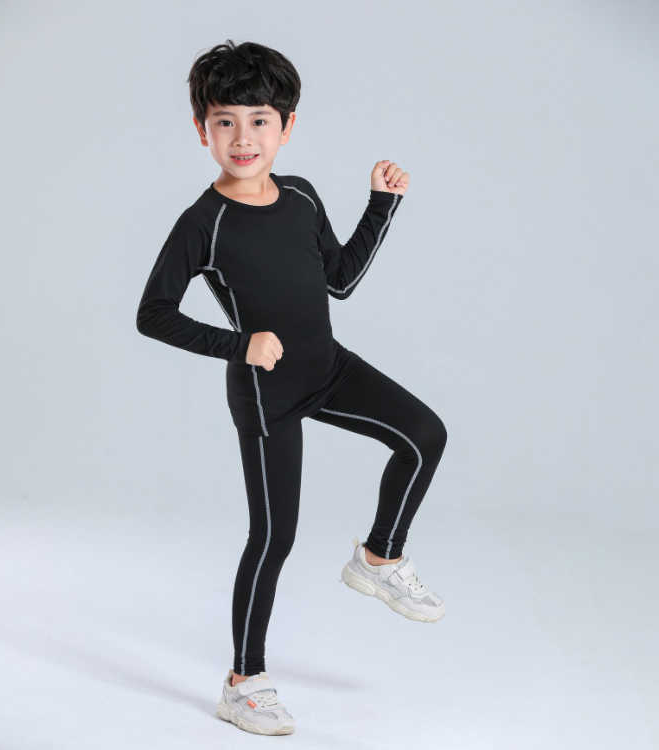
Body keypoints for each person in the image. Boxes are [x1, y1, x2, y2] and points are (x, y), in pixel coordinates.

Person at [136, 39, 448, 737]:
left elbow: (339, 279)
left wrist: (382, 204)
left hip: (326, 367)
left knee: (425, 435)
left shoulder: (301, 193)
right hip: (265, 392)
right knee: (274, 536)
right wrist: (239, 344)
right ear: (202, 130)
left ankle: (380, 557)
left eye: (259, 121)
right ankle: (244, 684)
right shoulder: (203, 223)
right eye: (224, 122)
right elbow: (151, 313)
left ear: (287, 126)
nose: (243, 138)